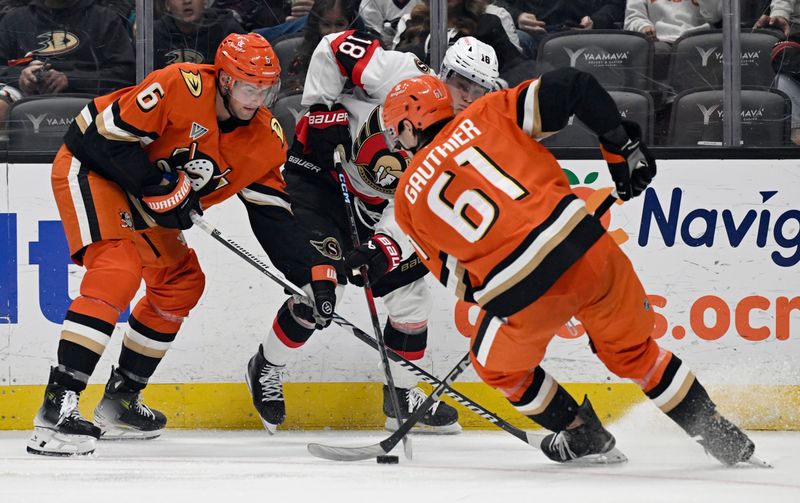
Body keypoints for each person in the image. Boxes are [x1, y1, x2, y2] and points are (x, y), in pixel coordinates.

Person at [386, 72, 760, 465]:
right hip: (588, 246)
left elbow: (460, 282)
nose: (399, 142)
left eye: (399, 133)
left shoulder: (407, 199)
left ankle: (580, 432)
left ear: (411, 126)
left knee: (496, 367)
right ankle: (723, 438)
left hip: (522, 291)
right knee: (637, 355)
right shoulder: (486, 111)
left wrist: (511, 296)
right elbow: (575, 86)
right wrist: (619, 143)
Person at [27, 33, 302, 456]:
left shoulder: (267, 139)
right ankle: (56, 407)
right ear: (226, 81)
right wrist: (157, 184)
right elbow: (98, 137)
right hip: (94, 169)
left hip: (143, 199)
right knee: (117, 269)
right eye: (251, 88)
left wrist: (312, 277)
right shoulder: (178, 84)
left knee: (181, 282)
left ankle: (121, 400)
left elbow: (275, 218)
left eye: (268, 89)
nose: (260, 99)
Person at [244, 32, 500, 435]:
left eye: (479, 90)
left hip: (380, 207)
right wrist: (321, 108)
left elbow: (416, 206)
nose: (467, 96)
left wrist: (386, 246)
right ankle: (266, 366)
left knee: (412, 301)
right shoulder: (401, 72)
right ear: (445, 71)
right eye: (462, 83)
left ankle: (400, 398)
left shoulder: (461, 144)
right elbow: (333, 46)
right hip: (323, 177)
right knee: (324, 287)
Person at [0, 0, 136, 129]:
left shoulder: (104, 18)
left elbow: (125, 72)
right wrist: (21, 76)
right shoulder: (15, 20)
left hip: (91, 92)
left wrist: (70, 79)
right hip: (25, 93)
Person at [494, 0, 624, 59]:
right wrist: (518, 17)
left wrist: (596, 21)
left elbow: (617, 5)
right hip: (536, 34)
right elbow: (498, 3)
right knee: (516, 40)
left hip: (586, 35)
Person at [153, 0, 245, 68]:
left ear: (205, 1)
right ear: (167, 5)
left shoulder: (226, 29)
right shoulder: (154, 34)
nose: (187, 1)